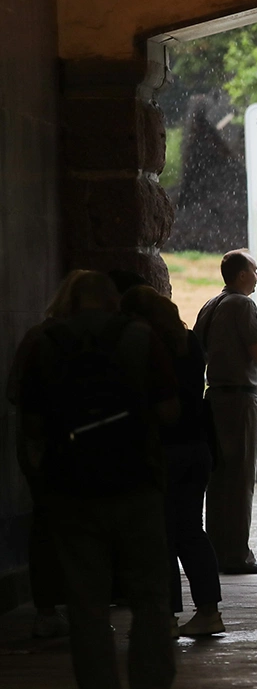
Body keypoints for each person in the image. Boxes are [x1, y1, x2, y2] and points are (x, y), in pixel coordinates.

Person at [16, 271, 179, 688]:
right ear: (113, 302)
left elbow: (30, 421)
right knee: (150, 598)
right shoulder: (141, 338)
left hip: (70, 487)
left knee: (86, 603)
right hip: (135, 481)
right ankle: (152, 679)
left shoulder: (43, 341)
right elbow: (169, 411)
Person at [123, 286, 225, 638]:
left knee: (161, 535)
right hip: (196, 446)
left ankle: (165, 615)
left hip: (162, 448)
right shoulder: (190, 342)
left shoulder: (148, 347)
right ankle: (209, 610)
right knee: (191, 531)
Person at [5, 270, 86, 639]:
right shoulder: (92, 340)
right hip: (77, 446)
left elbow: (15, 392)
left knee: (47, 524)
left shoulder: (36, 338)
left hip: (41, 445)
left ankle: (48, 608)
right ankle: (77, 604)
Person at [193, 249, 257, 575]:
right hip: (241, 400)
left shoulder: (211, 305)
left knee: (218, 480)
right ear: (242, 274)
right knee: (241, 479)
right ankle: (238, 555)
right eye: (255, 271)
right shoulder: (243, 305)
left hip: (215, 397)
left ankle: (215, 551)